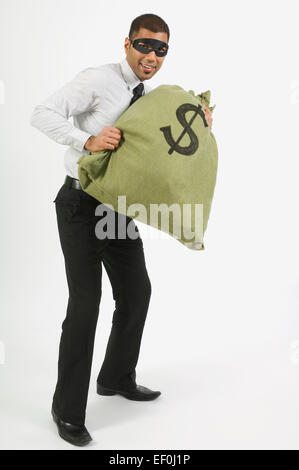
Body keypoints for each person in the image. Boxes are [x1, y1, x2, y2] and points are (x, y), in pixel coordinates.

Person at [30, 13, 213, 447]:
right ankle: (66, 408)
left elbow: (162, 144)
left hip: (116, 208)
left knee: (137, 292)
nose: (152, 56)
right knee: (86, 304)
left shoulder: (147, 96)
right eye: (145, 45)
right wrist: (86, 140)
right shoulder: (99, 80)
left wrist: (200, 118)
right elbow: (42, 113)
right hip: (79, 205)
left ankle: (115, 377)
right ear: (127, 43)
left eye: (161, 49)